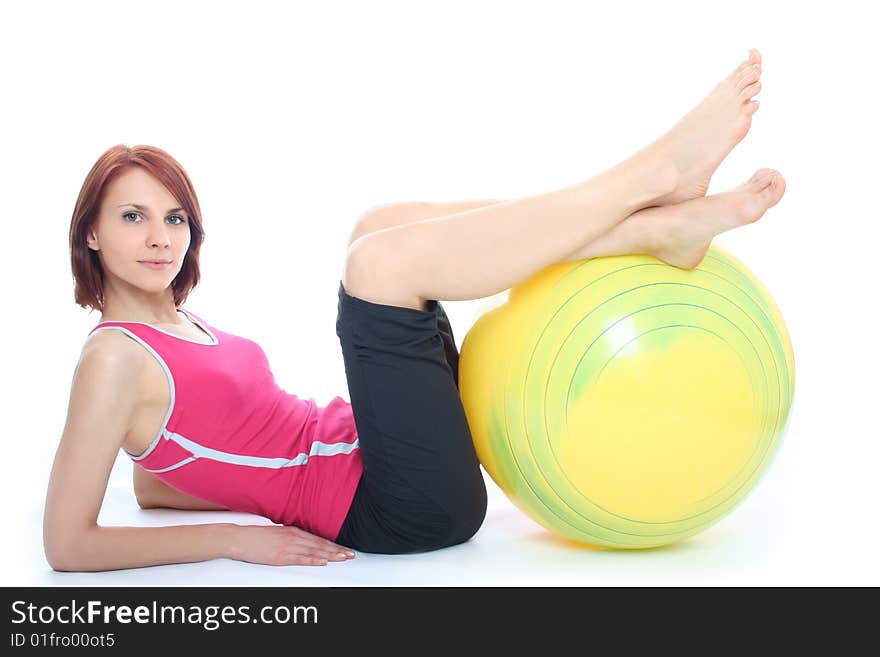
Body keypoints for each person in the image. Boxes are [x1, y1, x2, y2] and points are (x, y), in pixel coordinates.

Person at [43, 48, 784, 572]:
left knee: (378, 225)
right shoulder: (113, 356)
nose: (159, 236)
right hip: (394, 504)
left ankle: (654, 220)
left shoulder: (171, 326)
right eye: (133, 217)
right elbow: (68, 544)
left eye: (174, 218)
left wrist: (227, 488)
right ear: (91, 232)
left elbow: (151, 476)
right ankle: (654, 183)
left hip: (375, 451)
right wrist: (239, 538)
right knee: (378, 265)